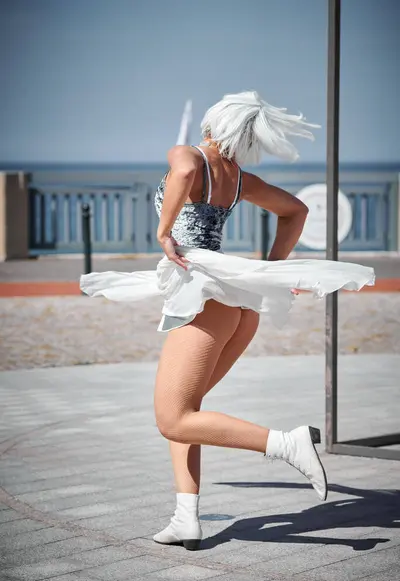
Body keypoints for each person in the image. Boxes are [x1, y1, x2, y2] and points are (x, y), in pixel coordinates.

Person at [81, 91, 375, 551]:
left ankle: (285, 443)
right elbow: (296, 210)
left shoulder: (189, 155)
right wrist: (274, 268)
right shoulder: (237, 177)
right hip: (237, 305)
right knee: (188, 413)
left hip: (206, 299)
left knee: (170, 418)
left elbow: (181, 170)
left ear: (214, 123)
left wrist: (163, 231)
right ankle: (185, 517)